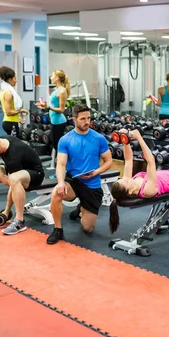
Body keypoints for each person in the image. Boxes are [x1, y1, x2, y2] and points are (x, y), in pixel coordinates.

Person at [47, 104, 114, 245]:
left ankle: (80, 208)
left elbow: (108, 161)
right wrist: (60, 182)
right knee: (56, 193)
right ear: (74, 120)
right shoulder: (65, 140)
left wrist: (96, 172)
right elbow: (61, 164)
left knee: (87, 229)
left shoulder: (99, 138)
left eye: (89, 118)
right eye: (83, 119)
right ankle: (58, 229)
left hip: (92, 184)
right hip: (74, 182)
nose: (87, 122)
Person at [36, 70, 70, 152]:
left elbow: (61, 110)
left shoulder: (62, 91)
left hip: (59, 122)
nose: (50, 77)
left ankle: (63, 163)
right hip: (54, 121)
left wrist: (48, 107)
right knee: (54, 144)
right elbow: (53, 105)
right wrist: (44, 106)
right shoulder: (56, 90)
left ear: (57, 78)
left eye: (52, 75)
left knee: (58, 145)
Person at [0, 66, 28, 138]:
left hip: (10, 122)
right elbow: (8, 112)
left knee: (13, 145)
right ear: (9, 79)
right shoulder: (8, 93)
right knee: (14, 147)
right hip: (10, 123)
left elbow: (4, 109)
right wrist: (20, 111)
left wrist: (18, 118)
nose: (16, 80)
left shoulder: (3, 91)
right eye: (15, 78)